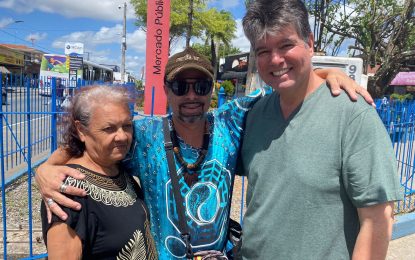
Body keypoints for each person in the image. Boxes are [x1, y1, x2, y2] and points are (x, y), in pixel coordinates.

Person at [35, 48, 374, 259]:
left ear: (212, 90)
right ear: (167, 90)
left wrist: (325, 73)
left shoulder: (232, 120)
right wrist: (46, 170)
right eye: (181, 86)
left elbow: (288, 87)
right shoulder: (143, 134)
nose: (191, 95)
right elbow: (95, 137)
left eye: (201, 86)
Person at [238, 0, 403, 259]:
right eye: (262, 51)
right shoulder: (254, 115)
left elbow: (378, 219)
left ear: (310, 43)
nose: (275, 59)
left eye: (286, 45)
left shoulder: (352, 114)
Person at [40, 85, 157, 259]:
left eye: (127, 126)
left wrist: (42, 169)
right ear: (81, 131)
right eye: (108, 129)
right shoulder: (69, 192)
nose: (122, 136)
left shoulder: (119, 169)